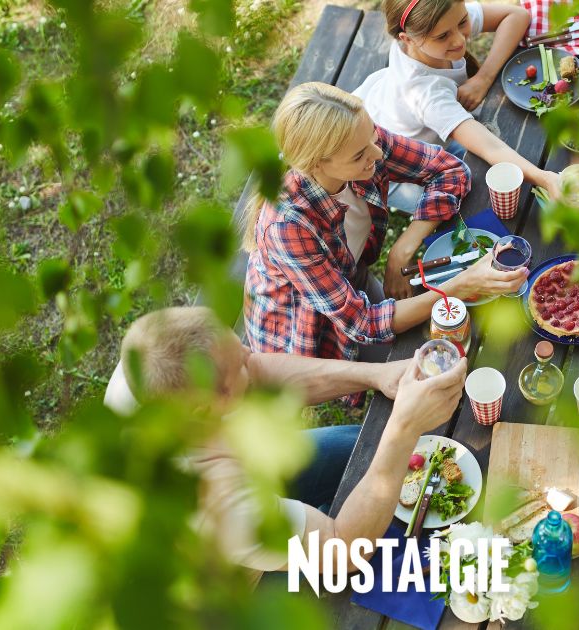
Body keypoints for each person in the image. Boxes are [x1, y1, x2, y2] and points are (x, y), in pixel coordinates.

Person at [104, 306, 468, 574]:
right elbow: (344, 551)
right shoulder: (213, 507)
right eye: (239, 366)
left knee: (365, 448)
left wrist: (377, 374)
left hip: (250, 473)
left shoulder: (154, 362)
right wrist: (402, 429)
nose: (250, 355)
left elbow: (258, 370)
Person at [242, 83, 527, 364]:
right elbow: (363, 324)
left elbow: (450, 170)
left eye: (373, 137)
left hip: (353, 279)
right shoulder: (287, 226)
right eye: (359, 156)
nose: (377, 154)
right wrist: (461, 284)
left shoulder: (359, 140)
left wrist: (402, 248)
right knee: (410, 361)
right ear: (315, 164)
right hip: (304, 336)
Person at [353, 0, 561, 212]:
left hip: (385, 108)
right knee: (460, 207)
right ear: (407, 39)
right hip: (387, 169)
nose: (460, 40)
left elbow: (517, 15)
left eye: (463, 22)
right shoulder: (426, 93)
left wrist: (484, 78)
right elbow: (491, 148)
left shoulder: (442, 18)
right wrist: (545, 178)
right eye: (443, 36)